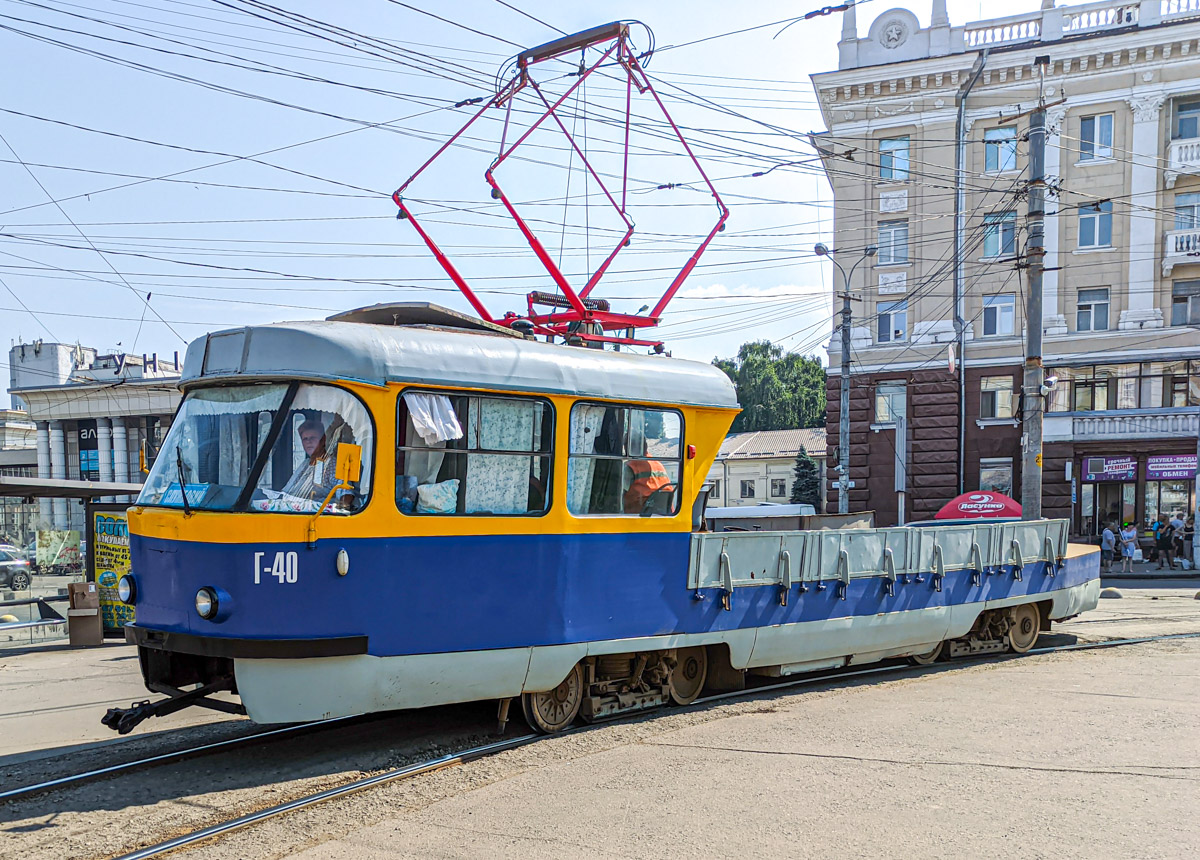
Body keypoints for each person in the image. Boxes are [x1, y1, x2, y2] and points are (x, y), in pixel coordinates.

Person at [281, 418, 341, 504]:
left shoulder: (333, 465)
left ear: (323, 439)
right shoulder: (305, 464)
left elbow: (344, 497)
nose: (309, 442)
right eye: (305, 439)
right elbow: (287, 490)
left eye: (313, 438)